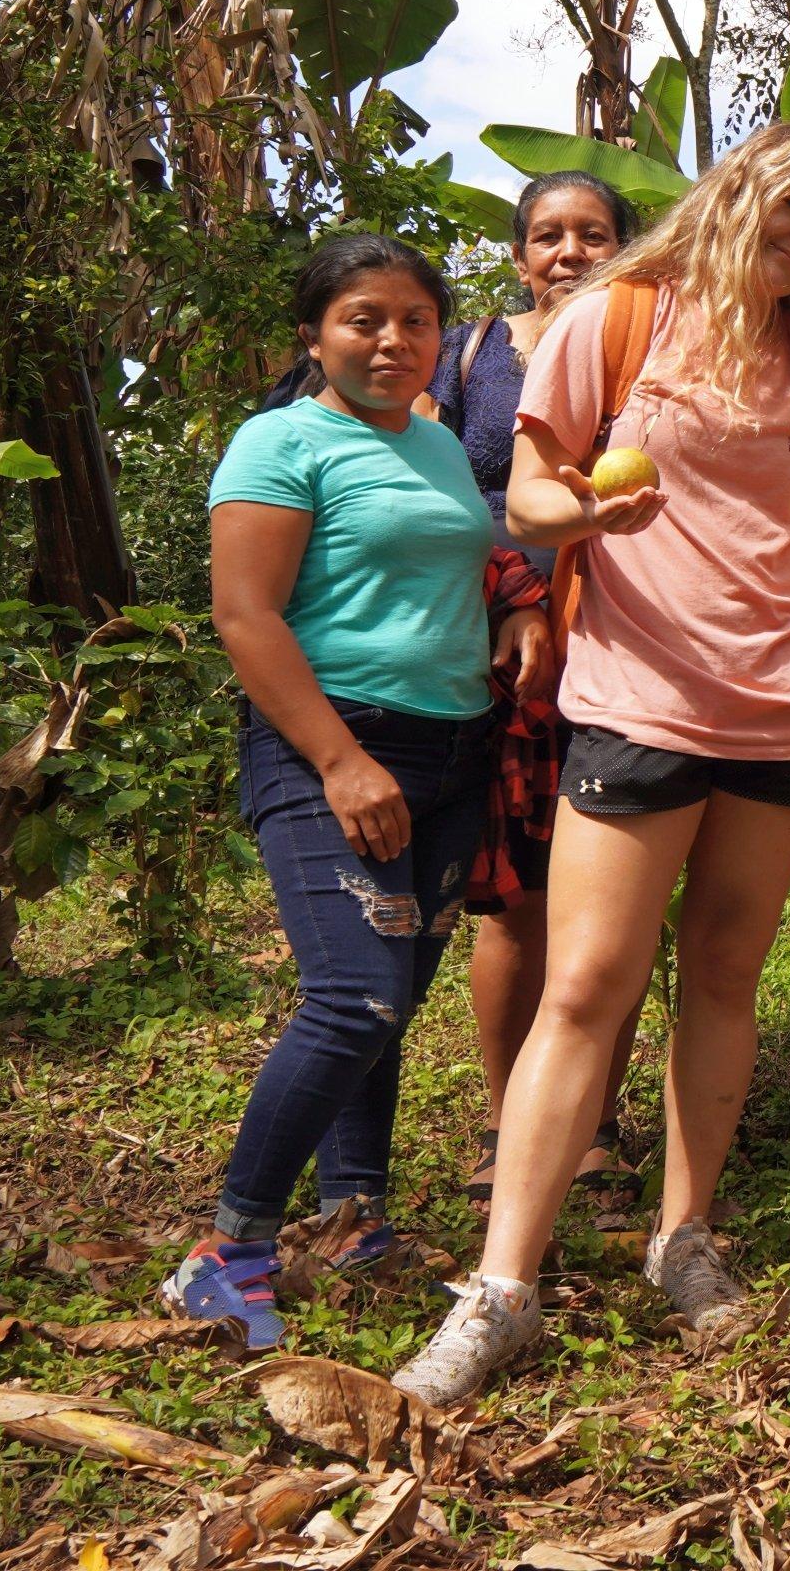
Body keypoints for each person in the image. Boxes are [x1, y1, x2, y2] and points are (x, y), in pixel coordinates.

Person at [395, 121, 790, 1405]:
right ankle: (501, 1284)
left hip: (787, 706)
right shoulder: (621, 317)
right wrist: (592, 510)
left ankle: (685, 1236)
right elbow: (530, 493)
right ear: (736, 197)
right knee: (585, 986)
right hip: (638, 696)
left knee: (723, 978)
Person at [169, 235, 548, 1351]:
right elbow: (247, 614)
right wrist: (340, 759)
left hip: (450, 750)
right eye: (364, 319)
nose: (392, 341)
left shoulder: (432, 443)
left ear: (443, 338)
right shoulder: (280, 440)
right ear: (314, 335)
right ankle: (228, 1249)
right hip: (330, 744)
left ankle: (355, 1214)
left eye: (416, 321)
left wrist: (517, 611)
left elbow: (469, 556)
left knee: (392, 1000)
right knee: (355, 997)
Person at [421, 171, 642, 1207]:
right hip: (503, 657)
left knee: (617, 905)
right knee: (516, 903)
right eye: (548, 235)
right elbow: (428, 490)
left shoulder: (648, 344)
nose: (570, 251)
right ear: (519, 256)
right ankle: (512, 1117)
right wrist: (508, 599)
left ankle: (593, 1115)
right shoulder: (469, 355)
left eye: (593, 233)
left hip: (631, 648)